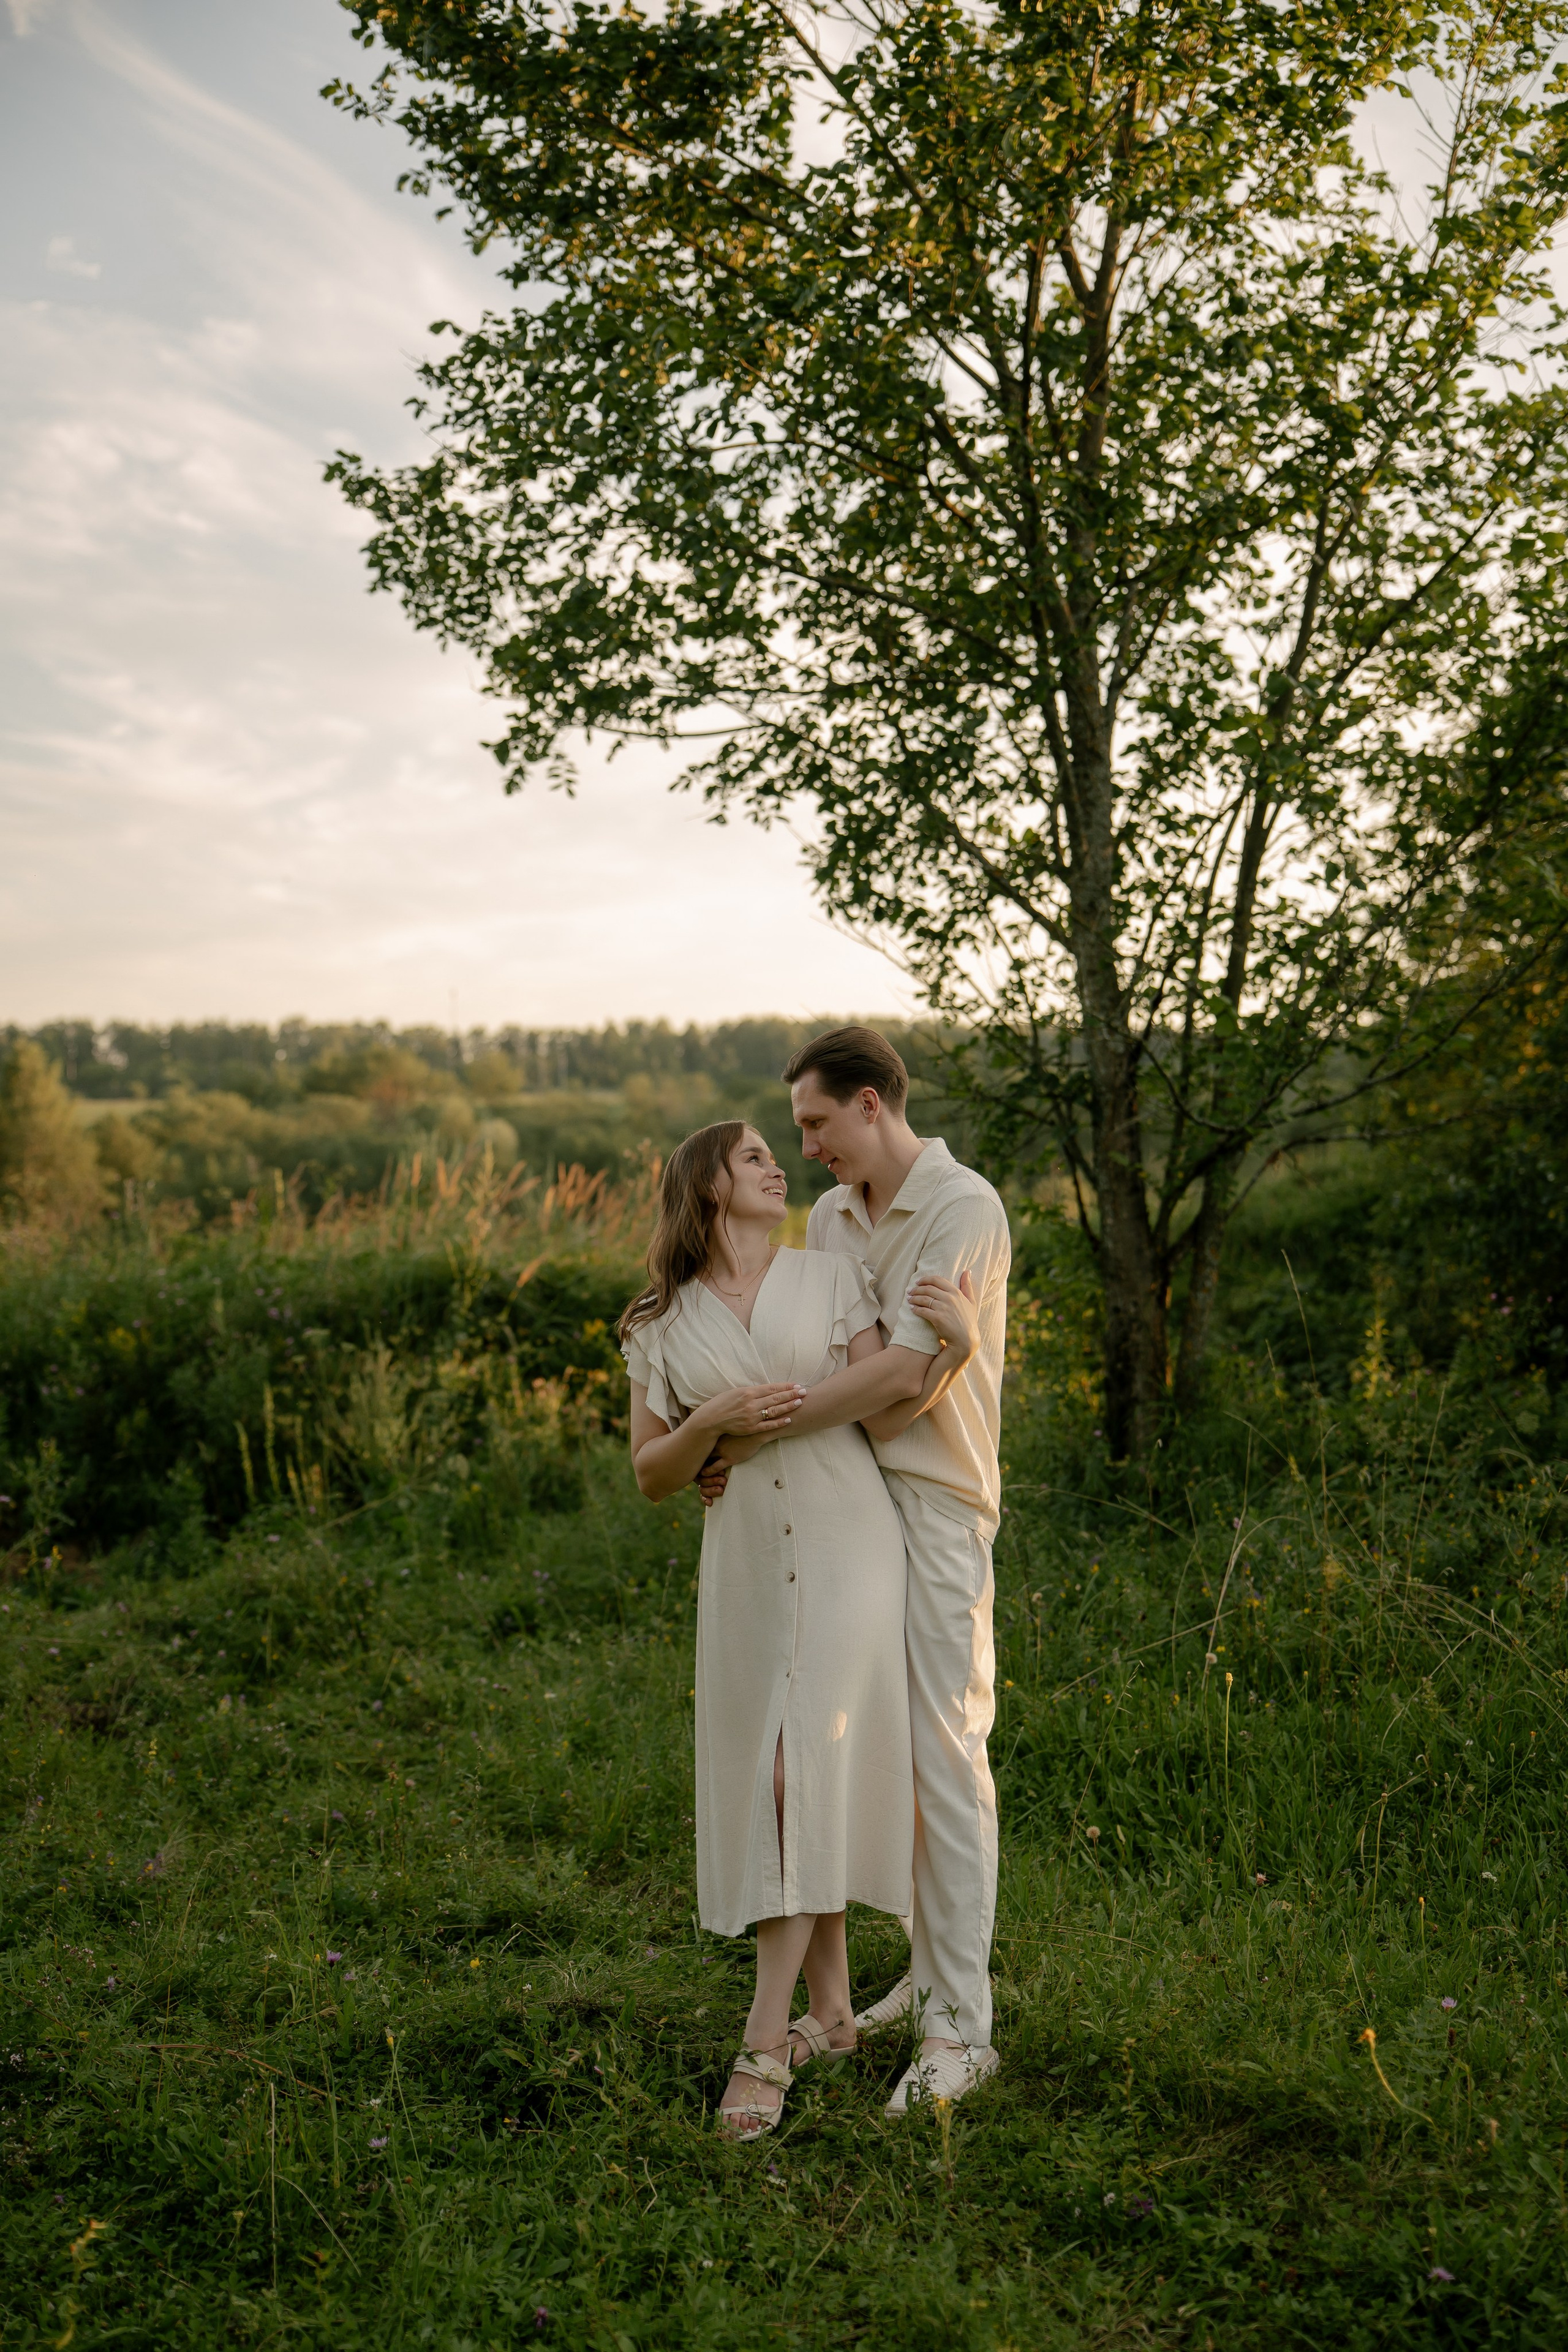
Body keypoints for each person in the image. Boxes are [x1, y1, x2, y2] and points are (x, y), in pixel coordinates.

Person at [620, 1120, 978, 2139]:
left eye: (784, 1153)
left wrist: (952, 1350)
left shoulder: (827, 1278)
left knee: (794, 1775)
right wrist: (708, 1428)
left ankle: (764, 2041)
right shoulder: (658, 1317)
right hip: (742, 1569)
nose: (781, 1168)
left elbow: (888, 1415)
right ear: (705, 1188)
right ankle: (833, 2013)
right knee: (787, 1778)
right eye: (753, 1159)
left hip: (845, 1543)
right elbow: (652, 1473)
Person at [759, 1026, 1010, 2114]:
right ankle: (920, 1979)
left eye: (816, 1122)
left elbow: (903, 1387)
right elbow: (857, 1369)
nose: (805, 1145)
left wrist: (755, 1429)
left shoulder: (964, 1207)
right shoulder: (826, 1216)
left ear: (871, 1104)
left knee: (947, 1756)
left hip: (938, 1504)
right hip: (844, 1506)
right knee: (867, 1757)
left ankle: (963, 2029)